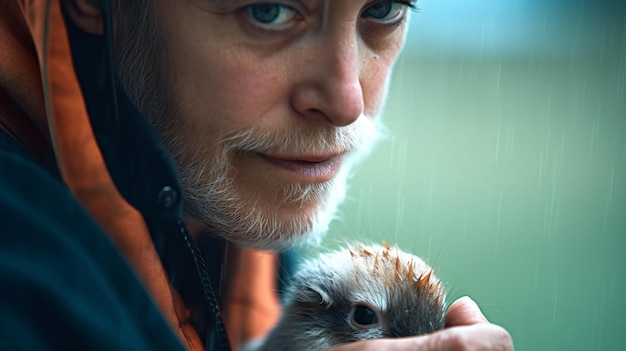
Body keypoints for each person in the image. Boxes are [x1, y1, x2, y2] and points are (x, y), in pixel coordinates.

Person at [0, 0, 513, 350]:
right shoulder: (17, 271)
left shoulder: (226, 213)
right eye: (268, 11)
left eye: (383, 9)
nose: (345, 102)